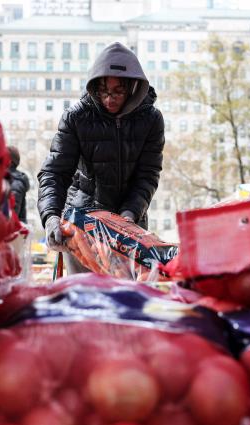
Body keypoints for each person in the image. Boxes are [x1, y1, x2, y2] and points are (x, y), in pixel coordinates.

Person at [37, 42, 165, 274]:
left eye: (118, 91)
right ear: (94, 88)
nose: (109, 99)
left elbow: (148, 174)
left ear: (132, 87)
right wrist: (51, 217)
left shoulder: (151, 119)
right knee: (84, 298)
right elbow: (54, 172)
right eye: (103, 91)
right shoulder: (76, 117)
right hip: (82, 226)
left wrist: (128, 217)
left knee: (124, 299)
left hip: (130, 226)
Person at [6, 146, 30, 223]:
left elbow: (12, 214)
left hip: (13, 231)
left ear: (10, 161)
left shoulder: (15, 183)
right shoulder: (7, 179)